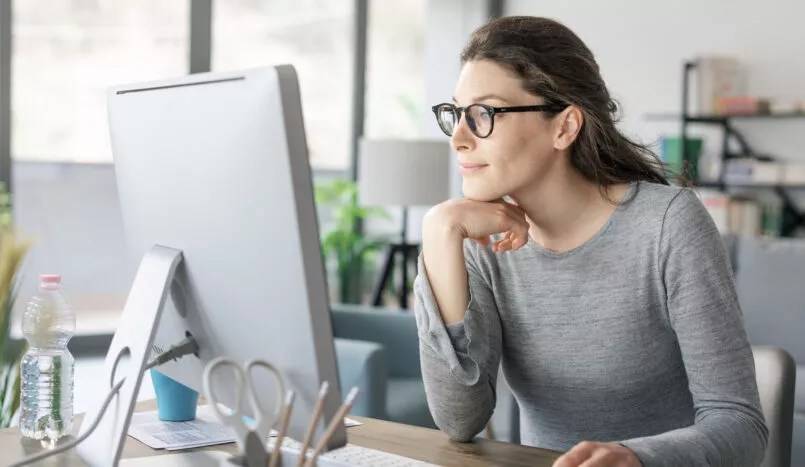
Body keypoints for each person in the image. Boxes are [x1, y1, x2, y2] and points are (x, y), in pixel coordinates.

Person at [414, 16, 768, 467]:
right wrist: (440, 233)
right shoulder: (479, 242)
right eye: (457, 114)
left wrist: (634, 458)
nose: (459, 138)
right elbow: (460, 421)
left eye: (484, 114)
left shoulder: (668, 225)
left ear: (564, 127)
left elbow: (740, 426)